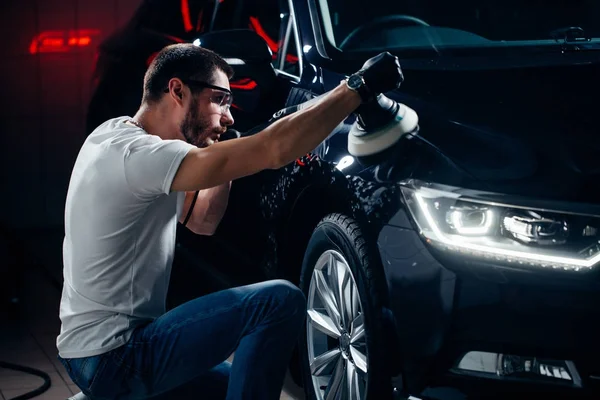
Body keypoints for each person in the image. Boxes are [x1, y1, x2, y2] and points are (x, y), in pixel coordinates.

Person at [56, 42, 403, 399]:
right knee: (278, 301)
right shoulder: (141, 155)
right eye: (220, 100)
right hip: (119, 356)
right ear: (177, 90)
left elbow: (202, 220)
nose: (229, 115)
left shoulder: (117, 135)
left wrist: (226, 153)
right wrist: (357, 88)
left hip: (88, 354)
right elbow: (274, 149)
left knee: (230, 389)